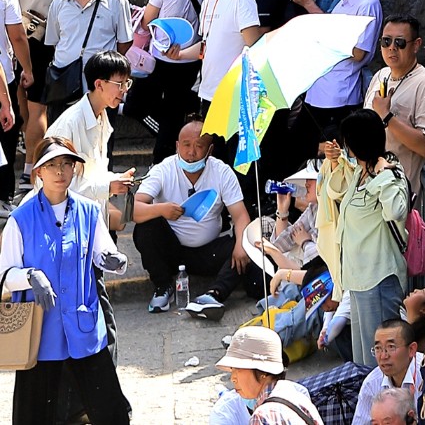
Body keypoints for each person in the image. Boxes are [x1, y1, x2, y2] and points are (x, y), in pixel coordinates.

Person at [1, 140, 130, 424]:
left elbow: (104, 253)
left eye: (66, 164)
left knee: (112, 413)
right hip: (39, 333)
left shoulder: (89, 211)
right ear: (38, 172)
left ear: (74, 169)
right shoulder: (20, 219)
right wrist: (30, 276)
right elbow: (5, 275)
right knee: (33, 416)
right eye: (51, 165)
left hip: (83, 328)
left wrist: (114, 260)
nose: (59, 171)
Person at [134, 112, 254, 314]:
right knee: (145, 227)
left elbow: (240, 215)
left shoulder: (222, 171)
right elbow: (135, 209)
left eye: (198, 146)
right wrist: (161, 209)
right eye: (186, 145)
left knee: (247, 244)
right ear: (177, 146)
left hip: (208, 251)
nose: (191, 152)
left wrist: (241, 245)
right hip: (171, 249)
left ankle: (214, 295)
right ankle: (163, 286)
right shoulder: (163, 170)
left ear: (210, 150)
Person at [324, 111, 408, 367]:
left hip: (379, 280)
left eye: (347, 143)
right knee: (363, 362)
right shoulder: (360, 172)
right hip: (358, 281)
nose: (345, 148)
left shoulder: (390, 171)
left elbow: (396, 211)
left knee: (381, 364)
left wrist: (383, 176)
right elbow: (334, 191)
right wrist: (336, 162)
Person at [170, 0, 260, 123]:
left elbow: (255, 47)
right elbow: (206, 45)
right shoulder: (206, 2)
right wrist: (179, 55)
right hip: (208, 93)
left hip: (235, 94)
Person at [131, 0, 202, 158]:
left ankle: (167, 146)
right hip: (191, 59)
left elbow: (147, 22)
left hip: (163, 59)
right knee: (173, 112)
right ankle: (172, 141)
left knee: (135, 106)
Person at [301, 0, 383, 145]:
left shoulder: (367, 4)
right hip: (320, 90)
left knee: (334, 151)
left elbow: (359, 52)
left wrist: (328, 34)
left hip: (338, 95)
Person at [46, 51, 133, 225]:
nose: (124, 90)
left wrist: (114, 180)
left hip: (89, 217)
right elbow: (55, 185)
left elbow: (94, 174)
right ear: (99, 84)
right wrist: (108, 186)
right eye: (120, 84)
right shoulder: (69, 124)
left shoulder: (102, 117)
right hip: (62, 222)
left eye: (127, 83)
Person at [43, 0, 133, 113]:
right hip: (65, 82)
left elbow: (125, 41)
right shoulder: (59, 2)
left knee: (101, 128)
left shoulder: (116, 1)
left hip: (102, 84)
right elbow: (54, 41)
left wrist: (106, 64)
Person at [363, 17, 425, 201]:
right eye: (386, 41)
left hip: (397, 196)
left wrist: (387, 116)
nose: (392, 48)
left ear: (416, 45)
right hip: (368, 186)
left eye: (399, 42)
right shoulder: (380, 75)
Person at [5, 0, 63, 150]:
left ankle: (21, 141)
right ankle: (32, 164)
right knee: (38, 107)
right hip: (43, 38)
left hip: (9, 37)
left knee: (18, 97)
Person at [220, 326, 325, 425]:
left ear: (262, 371)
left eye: (238, 369)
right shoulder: (296, 394)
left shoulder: (263, 416)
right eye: (232, 370)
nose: (233, 378)